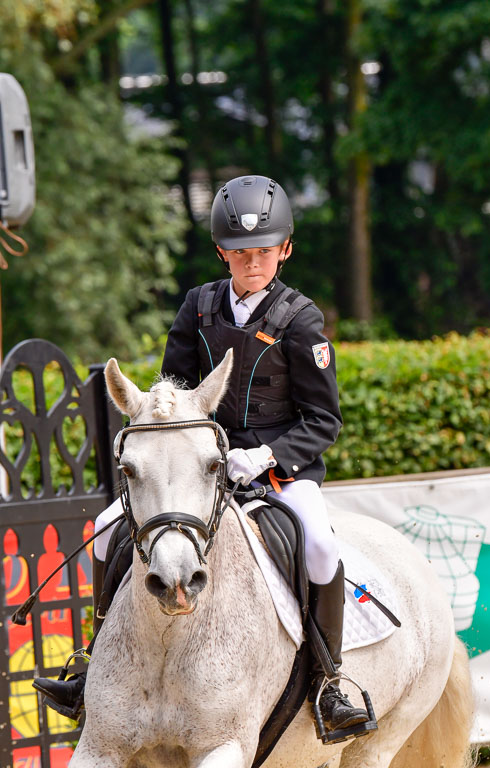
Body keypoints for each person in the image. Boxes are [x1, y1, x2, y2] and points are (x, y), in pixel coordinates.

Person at [33, 174, 369, 736]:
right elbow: (176, 390)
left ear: (284, 249)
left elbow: (323, 421)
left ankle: (329, 681)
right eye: (239, 253)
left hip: (280, 473)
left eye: (263, 251)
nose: (251, 262)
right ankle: (93, 661)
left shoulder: (302, 320)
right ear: (223, 253)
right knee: (108, 522)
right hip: (200, 469)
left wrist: (264, 457)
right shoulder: (199, 306)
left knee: (318, 544)